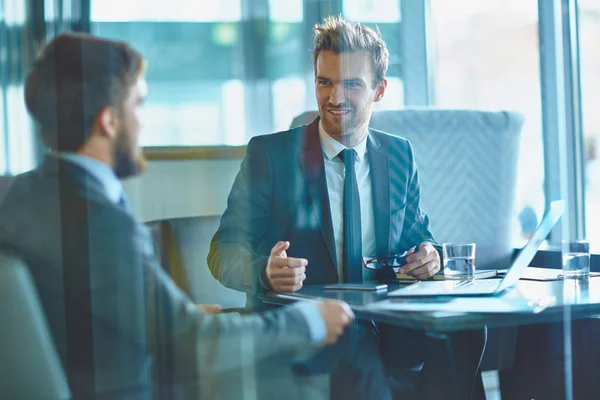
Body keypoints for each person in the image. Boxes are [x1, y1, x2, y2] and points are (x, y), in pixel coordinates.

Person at [0, 32, 355, 399]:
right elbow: (194, 348)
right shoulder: (101, 224)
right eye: (137, 105)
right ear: (108, 122)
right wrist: (307, 322)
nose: (141, 123)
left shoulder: (23, 196)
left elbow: (66, 312)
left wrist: (162, 316)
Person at [209, 16, 486, 399]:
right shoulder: (269, 156)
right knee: (354, 342)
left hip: (388, 321)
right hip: (307, 325)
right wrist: (265, 272)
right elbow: (222, 251)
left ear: (380, 89)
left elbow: (419, 239)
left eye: (352, 84)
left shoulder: (398, 154)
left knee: (464, 329)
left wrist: (429, 256)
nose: (335, 97)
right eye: (325, 82)